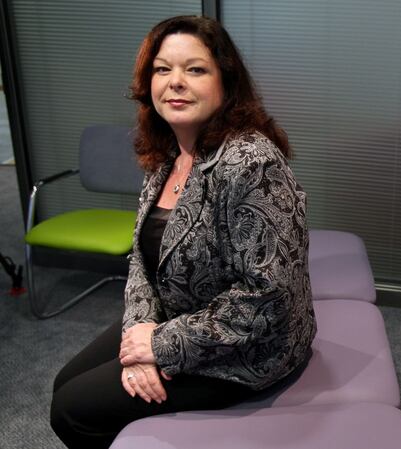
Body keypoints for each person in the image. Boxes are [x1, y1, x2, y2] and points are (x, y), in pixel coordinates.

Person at [50, 15, 316, 448]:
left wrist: (160, 343)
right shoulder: (168, 151)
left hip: (250, 350)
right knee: (65, 382)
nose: (175, 82)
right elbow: (141, 257)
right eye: (162, 69)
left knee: (72, 410)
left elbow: (270, 297)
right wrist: (140, 336)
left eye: (195, 69)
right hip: (177, 314)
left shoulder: (251, 161)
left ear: (226, 83)